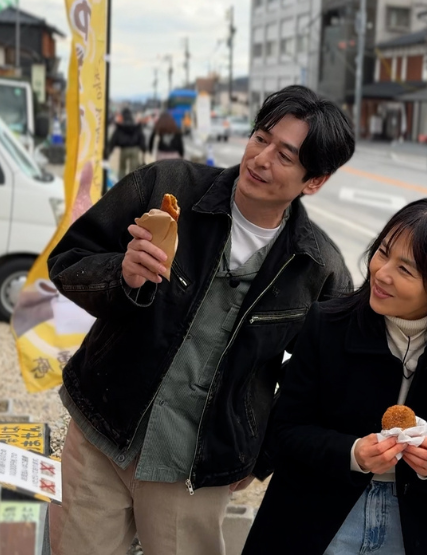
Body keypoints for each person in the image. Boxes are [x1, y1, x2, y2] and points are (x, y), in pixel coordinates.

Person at [47, 85, 356, 555]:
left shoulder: (317, 266)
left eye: (285, 155)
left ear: (314, 181)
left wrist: (261, 451)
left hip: (195, 467)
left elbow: (325, 374)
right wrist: (121, 274)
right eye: (260, 137)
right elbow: (69, 259)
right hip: (100, 434)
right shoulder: (165, 185)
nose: (260, 158)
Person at [243, 198, 427, 555]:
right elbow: (287, 429)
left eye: (406, 270)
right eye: (383, 251)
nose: (381, 272)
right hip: (315, 509)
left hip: (417, 520)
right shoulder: (328, 325)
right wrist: (353, 453)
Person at [106, 108, 147, 178]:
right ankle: (133, 184)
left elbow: (114, 138)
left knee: (122, 168)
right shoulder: (136, 126)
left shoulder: (120, 126)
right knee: (133, 169)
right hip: (135, 149)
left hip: (124, 149)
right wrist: (143, 148)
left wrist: (109, 150)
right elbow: (141, 137)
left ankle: (122, 183)